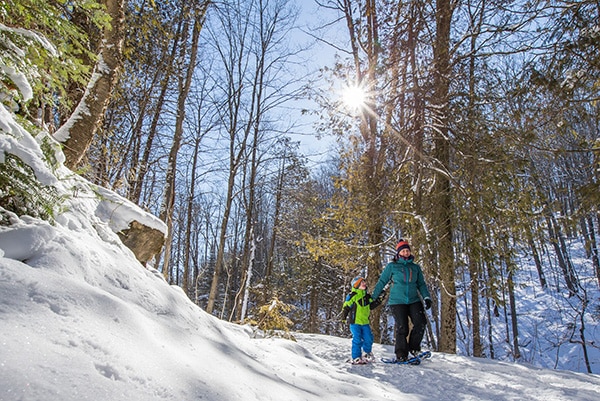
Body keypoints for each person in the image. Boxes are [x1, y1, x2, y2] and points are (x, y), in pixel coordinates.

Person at [371, 239, 432, 362]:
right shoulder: (392, 266)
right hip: (397, 301)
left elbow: (421, 284)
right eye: (403, 251)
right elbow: (382, 282)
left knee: (421, 323)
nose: (406, 253)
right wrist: (373, 298)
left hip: (414, 300)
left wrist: (426, 297)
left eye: (407, 251)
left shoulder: (415, 267)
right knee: (402, 327)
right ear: (398, 253)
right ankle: (401, 354)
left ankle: (414, 349)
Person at [341, 276, 385, 364]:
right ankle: (356, 357)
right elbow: (346, 307)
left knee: (369, 338)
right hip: (355, 323)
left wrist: (380, 299)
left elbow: (371, 305)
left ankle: (367, 353)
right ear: (356, 285)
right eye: (362, 283)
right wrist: (343, 318)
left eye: (364, 282)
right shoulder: (352, 295)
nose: (364, 283)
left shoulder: (367, 296)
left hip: (365, 323)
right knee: (357, 339)